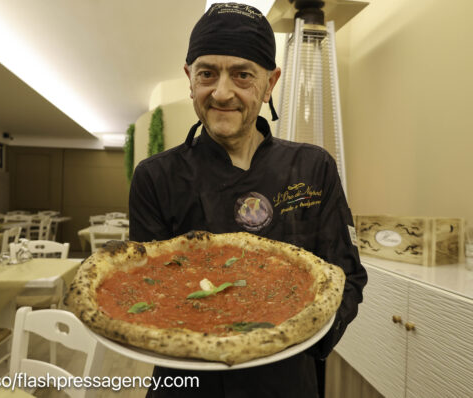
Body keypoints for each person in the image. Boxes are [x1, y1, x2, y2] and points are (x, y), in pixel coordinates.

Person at [129, 3, 367, 397]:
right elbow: (146, 291)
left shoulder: (312, 167)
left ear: (270, 82)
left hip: (287, 382)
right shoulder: (155, 177)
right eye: (207, 73)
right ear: (190, 78)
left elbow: (348, 275)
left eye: (242, 75)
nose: (222, 93)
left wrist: (302, 340)